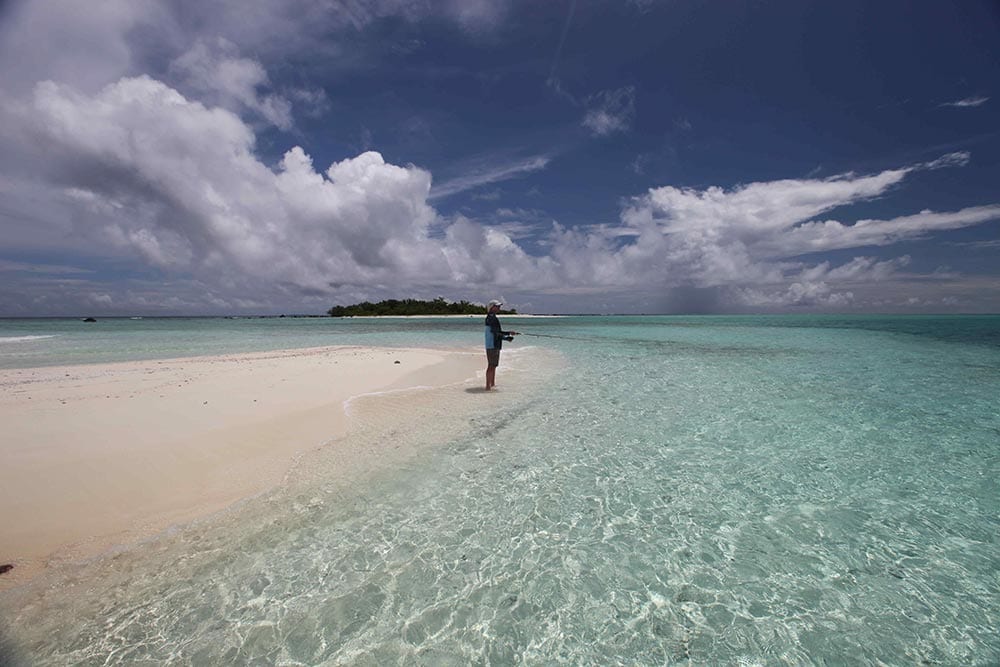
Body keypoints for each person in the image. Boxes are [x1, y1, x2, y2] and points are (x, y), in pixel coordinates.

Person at [484, 299, 517, 390]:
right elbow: (496, 333)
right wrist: (507, 336)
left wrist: (507, 335)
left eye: (499, 306)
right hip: (492, 345)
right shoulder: (492, 318)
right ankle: (487, 387)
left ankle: (492, 384)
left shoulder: (492, 317)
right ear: (492, 307)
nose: (499, 308)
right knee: (491, 365)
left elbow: (497, 332)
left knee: (494, 365)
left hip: (494, 344)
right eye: (497, 306)